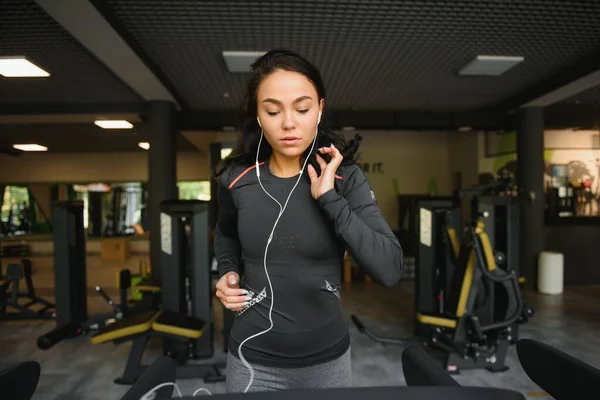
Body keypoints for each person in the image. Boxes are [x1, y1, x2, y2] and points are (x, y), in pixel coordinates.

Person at [213, 49, 403, 393]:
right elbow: (225, 232)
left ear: (319, 110)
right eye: (272, 110)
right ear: (257, 115)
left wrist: (330, 199)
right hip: (250, 359)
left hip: (326, 363)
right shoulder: (235, 178)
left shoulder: (346, 178)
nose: (288, 123)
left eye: (301, 109)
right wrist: (227, 271)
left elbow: (389, 270)